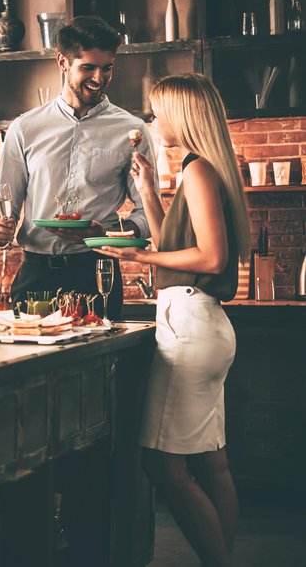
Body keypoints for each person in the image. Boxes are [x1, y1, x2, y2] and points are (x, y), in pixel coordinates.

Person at [94, 73, 249, 566]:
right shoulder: (198, 170)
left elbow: (211, 258)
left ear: (183, 115)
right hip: (204, 325)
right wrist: (147, 193)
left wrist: (141, 260)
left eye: (159, 111)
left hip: (190, 327)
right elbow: (173, 247)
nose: (154, 121)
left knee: (162, 466)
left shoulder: (199, 171)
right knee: (211, 462)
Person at [0, 15, 157, 320]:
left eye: (107, 68)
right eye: (88, 67)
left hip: (96, 272)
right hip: (35, 274)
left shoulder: (131, 130)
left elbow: (147, 212)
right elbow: (3, 204)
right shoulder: (24, 128)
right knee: (31, 364)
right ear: (62, 62)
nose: (99, 78)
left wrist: (107, 232)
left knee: (101, 366)